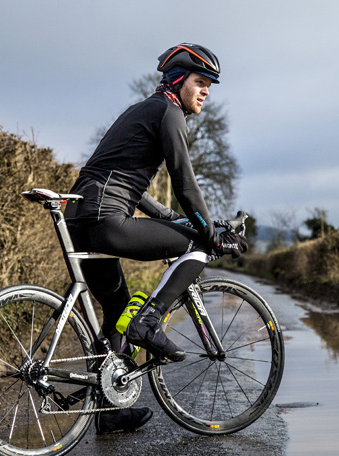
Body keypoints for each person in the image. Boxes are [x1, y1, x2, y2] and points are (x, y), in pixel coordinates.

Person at [64, 43, 248, 434]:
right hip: (106, 218)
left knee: (115, 310)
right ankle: (148, 322)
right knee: (198, 245)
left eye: (210, 86)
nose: (206, 91)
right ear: (178, 80)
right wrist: (209, 231)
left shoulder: (143, 109)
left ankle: (108, 412)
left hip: (83, 216)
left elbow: (126, 180)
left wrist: (171, 218)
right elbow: (184, 182)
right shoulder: (169, 112)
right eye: (201, 82)